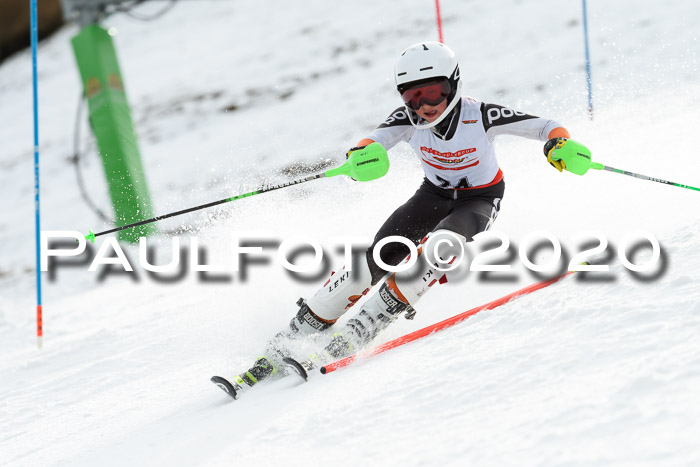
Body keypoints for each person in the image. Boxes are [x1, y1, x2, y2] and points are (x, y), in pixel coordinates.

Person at [226, 41, 575, 394]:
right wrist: (361, 156)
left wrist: (559, 145)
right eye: (411, 97)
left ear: (453, 85)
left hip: (479, 199)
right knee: (373, 261)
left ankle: (360, 329)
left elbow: (548, 126)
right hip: (433, 196)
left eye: (432, 93)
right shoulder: (407, 120)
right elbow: (373, 141)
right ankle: (291, 338)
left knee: (439, 248)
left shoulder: (481, 115)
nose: (423, 106)